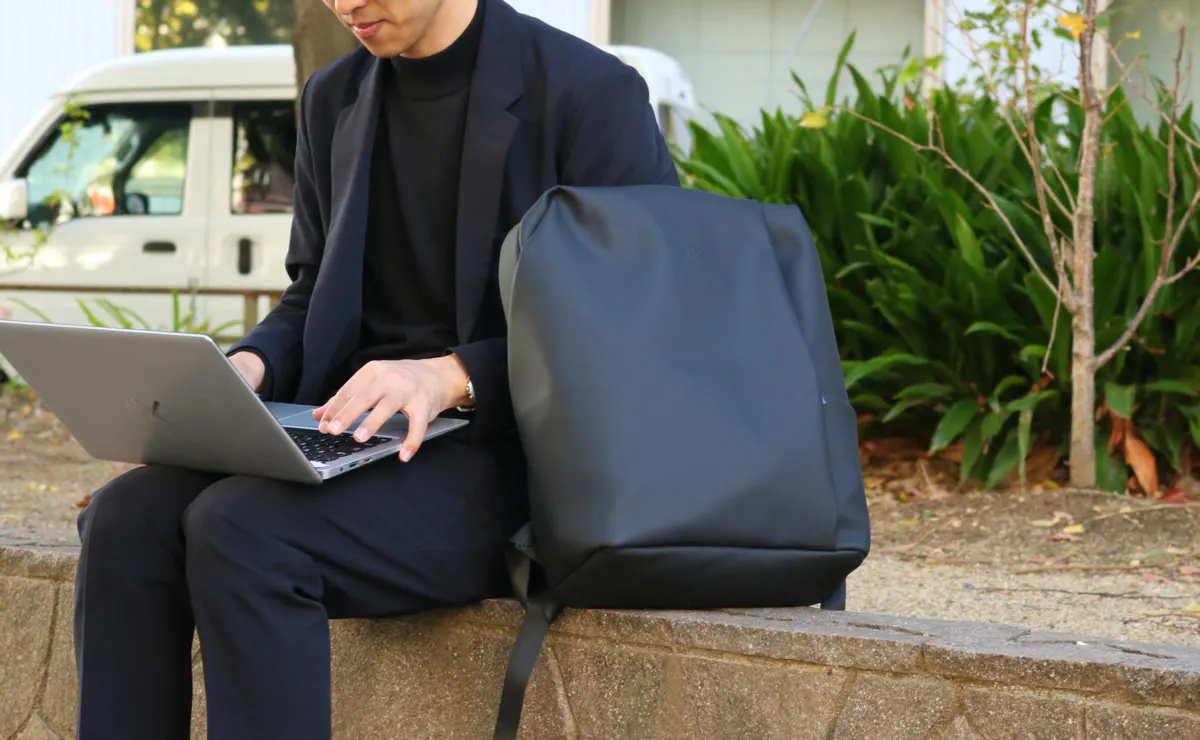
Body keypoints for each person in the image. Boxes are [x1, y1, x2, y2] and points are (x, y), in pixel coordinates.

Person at [71, 0, 678, 737]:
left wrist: (451, 375)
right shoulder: (333, 97)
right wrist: (245, 370)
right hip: (355, 435)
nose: (346, 4)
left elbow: (634, 321)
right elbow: (309, 295)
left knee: (242, 530)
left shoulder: (589, 92)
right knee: (126, 519)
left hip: (514, 462)